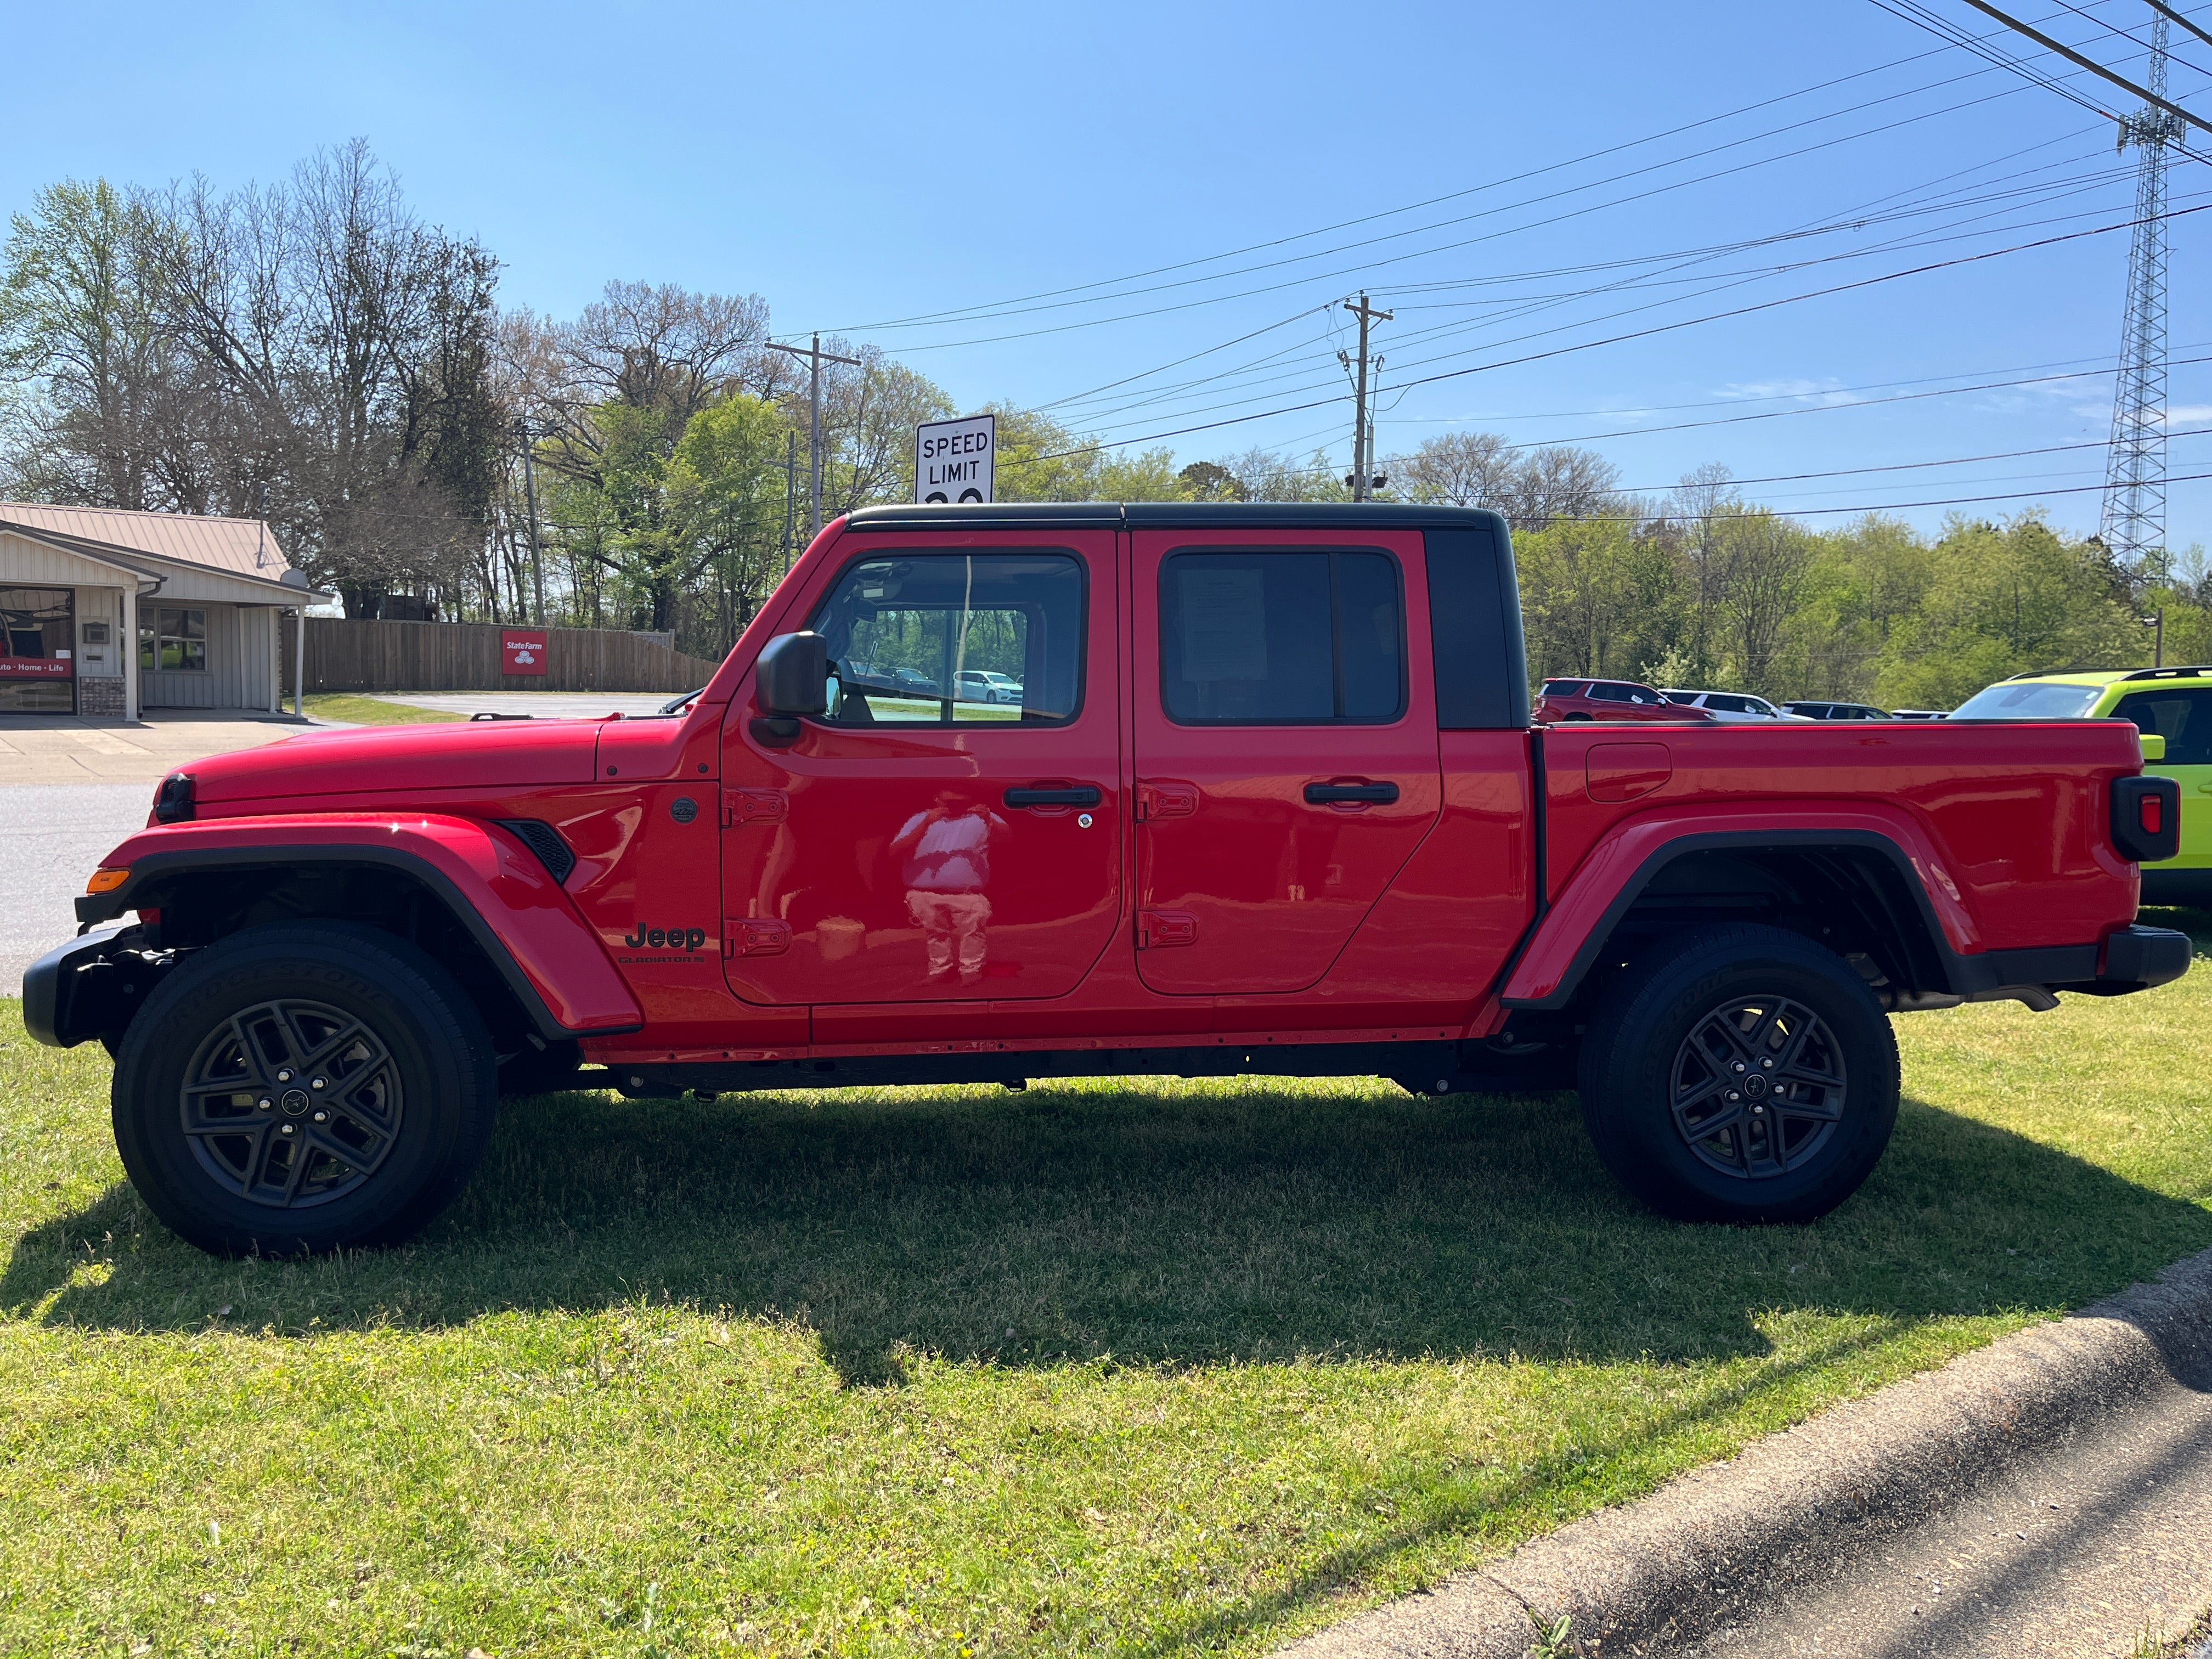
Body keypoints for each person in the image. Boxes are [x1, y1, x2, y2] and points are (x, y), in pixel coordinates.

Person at [890, 790, 1008, 985]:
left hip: (968, 892)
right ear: (937, 800)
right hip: (925, 892)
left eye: (960, 803)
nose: (954, 808)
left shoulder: (981, 817)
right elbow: (895, 852)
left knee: (973, 931)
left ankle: (971, 970)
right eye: (949, 803)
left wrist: (989, 819)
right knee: (935, 933)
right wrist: (927, 822)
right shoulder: (920, 819)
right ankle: (939, 970)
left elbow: (1006, 837)